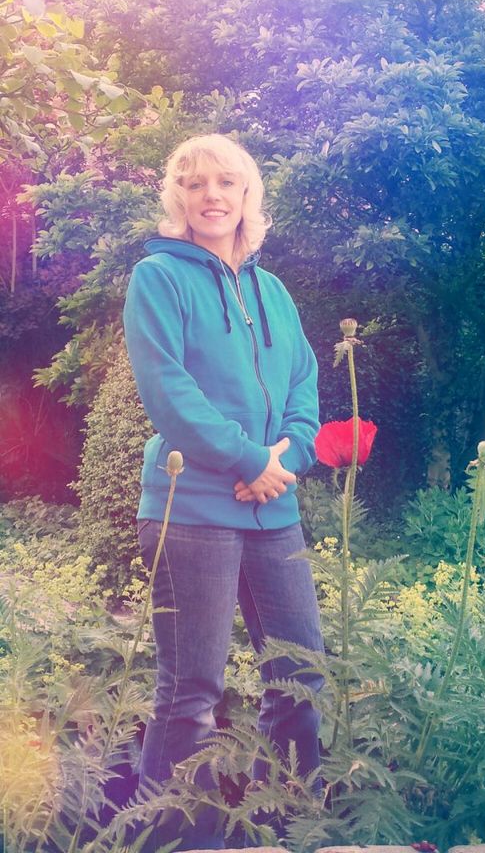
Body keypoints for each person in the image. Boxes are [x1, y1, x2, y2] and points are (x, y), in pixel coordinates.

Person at [123, 133, 324, 850]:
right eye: (195, 182)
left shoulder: (274, 292)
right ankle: (173, 838)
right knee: (192, 692)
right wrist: (247, 458)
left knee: (301, 676)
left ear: (247, 195)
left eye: (227, 182)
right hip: (190, 509)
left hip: (275, 506)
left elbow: (304, 384)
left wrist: (289, 456)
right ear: (178, 197)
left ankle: (287, 827)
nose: (212, 195)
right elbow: (168, 391)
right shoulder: (157, 278)